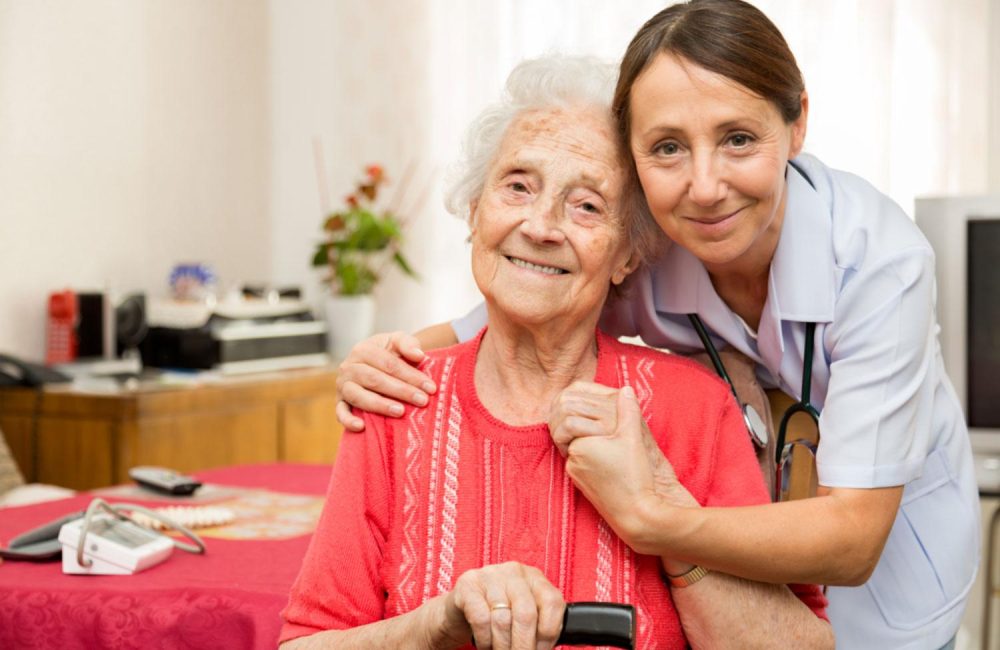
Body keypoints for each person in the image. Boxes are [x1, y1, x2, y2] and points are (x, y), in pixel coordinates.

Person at [333, 2, 979, 648]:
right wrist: (386, 357)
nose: (703, 186)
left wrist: (653, 518)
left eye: (739, 139)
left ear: (798, 123)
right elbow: (518, 290)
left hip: (887, 565)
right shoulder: (646, 253)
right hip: (756, 531)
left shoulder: (882, 263)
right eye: (667, 147)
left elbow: (854, 538)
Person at [281, 56, 832, 650]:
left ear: (626, 256)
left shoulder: (693, 409)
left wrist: (663, 513)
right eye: (518, 185)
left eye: (587, 206)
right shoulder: (396, 400)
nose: (541, 225)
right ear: (475, 212)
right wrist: (434, 626)